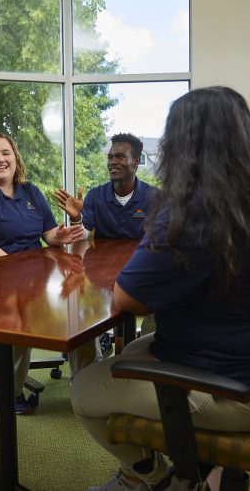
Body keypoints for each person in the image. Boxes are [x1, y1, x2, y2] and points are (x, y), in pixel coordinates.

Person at [70, 86, 250, 491]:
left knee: (83, 390)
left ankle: (150, 477)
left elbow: (128, 298)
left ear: (180, 146)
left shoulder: (195, 213)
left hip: (226, 389)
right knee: (131, 351)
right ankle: (182, 468)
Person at [0, 132, 83, 414]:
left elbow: (47, 233)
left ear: (16, 158)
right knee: (18, 318)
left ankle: (85, 383)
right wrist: (19, 267)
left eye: (6, 153)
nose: (0, 159)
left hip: (34, 274)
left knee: (79, 305)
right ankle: (11, 392)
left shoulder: (30, 191)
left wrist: (59, 234)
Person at [54, 133, 157, 373]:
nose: (112, 161)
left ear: (136, 161)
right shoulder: (96, 196)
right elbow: (83, 232)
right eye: (110, 157)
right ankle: (87, 375)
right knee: (76, 312)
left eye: (120, 156)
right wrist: (77, 217)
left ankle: (147, 371)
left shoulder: (155, 198)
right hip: (101, 277)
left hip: (141, 274)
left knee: (162, 310)